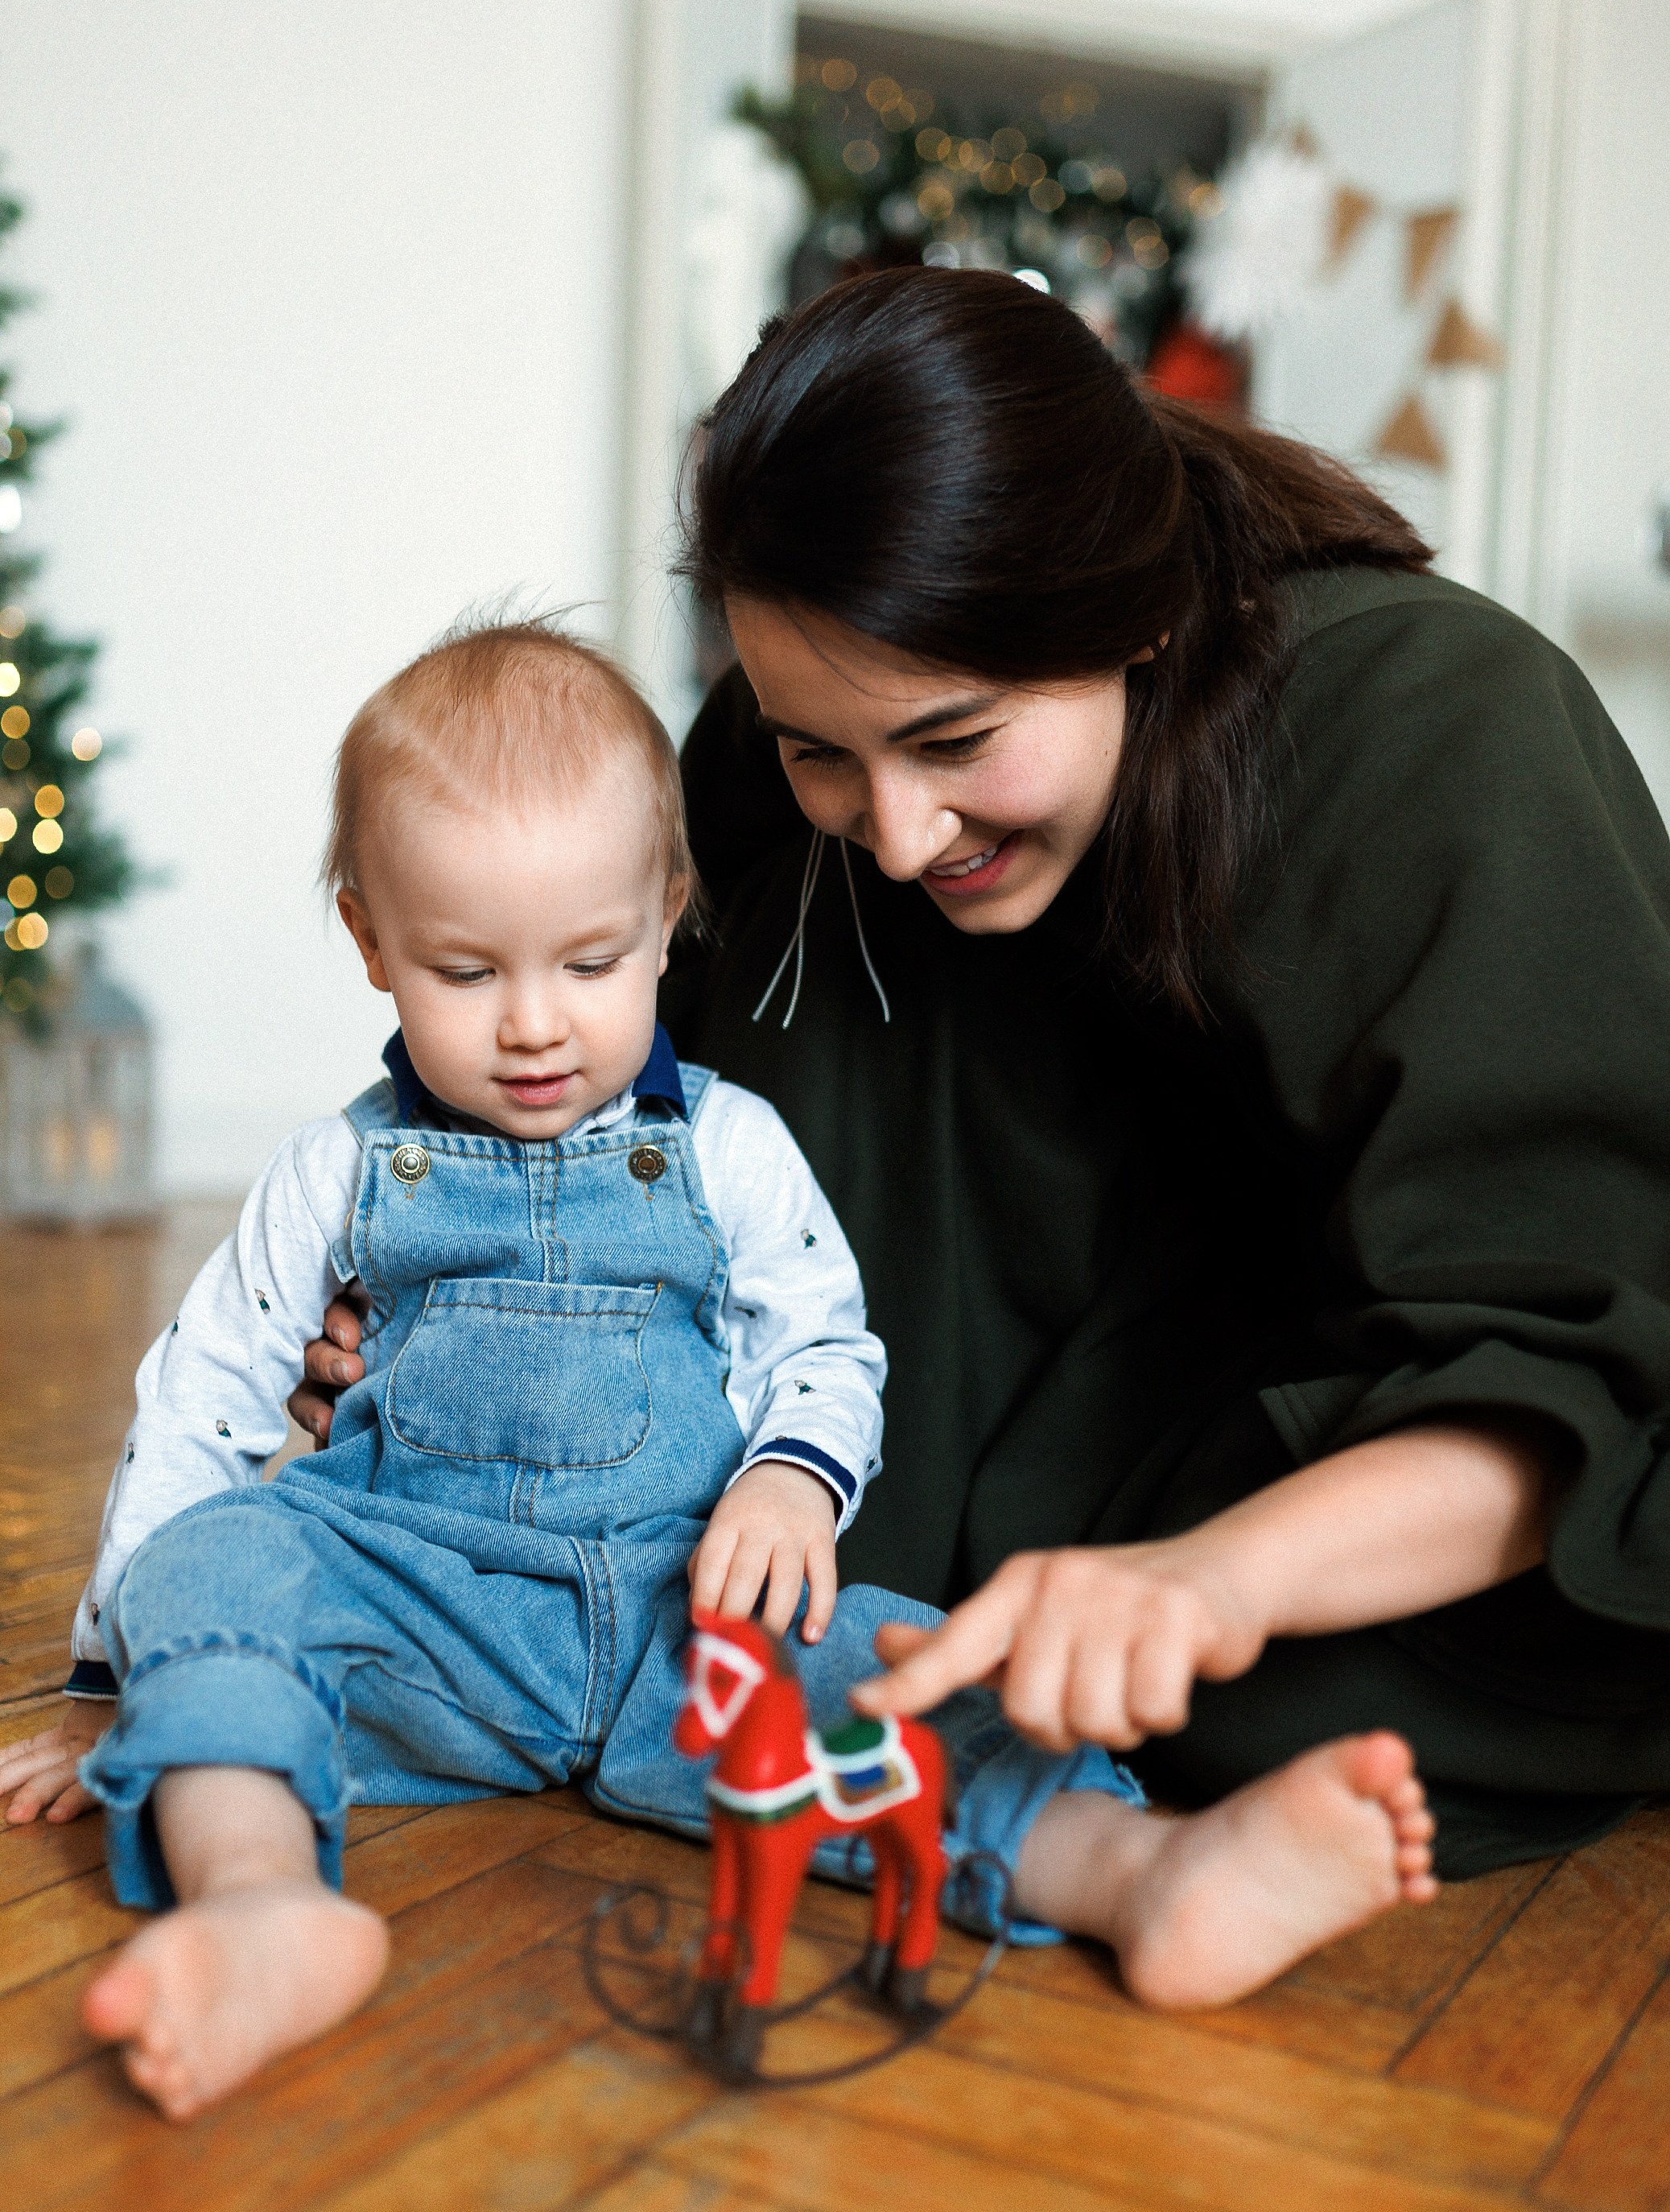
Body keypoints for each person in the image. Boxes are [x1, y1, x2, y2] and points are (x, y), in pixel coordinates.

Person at [286, 270, 1670, 1892]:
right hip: (958, 1486)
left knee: (1249, 1700)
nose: (897, 834)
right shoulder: (767, 766)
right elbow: (645, 1127)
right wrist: (474, 1304)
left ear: (1136, 615)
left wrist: (1214, 1580)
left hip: (1349, 1488)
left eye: (959, 738)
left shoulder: (1443, 731)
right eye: (822, 749)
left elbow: (1596, 1360)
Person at [4, 617, 1432, 2121]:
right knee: (220, 1573)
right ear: (370, 941)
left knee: (894, 1669)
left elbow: (824, 1341)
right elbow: (211, 1384)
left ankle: (1147, 1872)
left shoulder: (727, 1146)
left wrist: (790, 1483)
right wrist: (115, 1673)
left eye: (593, 959)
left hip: (681, 1610)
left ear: (670, 912)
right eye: (466, 970)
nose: (537, 1021)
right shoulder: (340, 1168)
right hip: (409, 1607)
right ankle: (257, 1902)